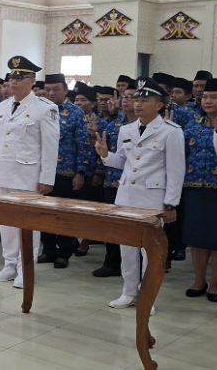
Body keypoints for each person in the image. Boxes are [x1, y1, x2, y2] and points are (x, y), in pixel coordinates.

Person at [95, 77, 184, 310]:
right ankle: (128, 292)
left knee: (149, 252)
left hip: (152, 198)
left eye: (145, 100)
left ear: (159, 104)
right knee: (127, 248)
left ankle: (147, 296)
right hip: (126, 196)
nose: (138, 104)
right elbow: (122, 161)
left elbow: (176, 171)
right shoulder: (126, 129)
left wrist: (171, 204)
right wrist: (105, 155)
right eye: (136, 99)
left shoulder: (171, 132)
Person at [0, 56, 59, 288]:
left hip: (27, 176)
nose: (14, 81)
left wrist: (47, 178)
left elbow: (51, 146)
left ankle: (25, 269)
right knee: (6, 223)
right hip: (3, 172)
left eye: (20, 77)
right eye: (12, 77)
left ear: (32, 81)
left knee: (28, 224)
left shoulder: (45, 108)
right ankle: (9, 265)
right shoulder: (1, 107)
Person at [179, 78, 217, 302]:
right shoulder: (192, 125)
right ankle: (199, 280)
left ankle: (215, 284)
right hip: (194, 188)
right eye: (205, 97)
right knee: (197, 239)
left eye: (214, 97)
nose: (207, 100)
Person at [39, 74, 91, 269]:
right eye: (48, 89)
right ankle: (48, 250)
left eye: (56, 89)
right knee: (44, 213)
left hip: (66, 171)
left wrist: (81, 172)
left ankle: (64, 252)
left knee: (64, 214)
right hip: (43, 171)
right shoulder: (40, 110)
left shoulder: (75, 113)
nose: (51, 93)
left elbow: (83, 144)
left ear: (65, 91)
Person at [91, 81, 137, 278]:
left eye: (132, 97)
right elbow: (113, 155)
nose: (127, 100)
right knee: (112, 224)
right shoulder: (114, 125)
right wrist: (104, 156)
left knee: (134, 229)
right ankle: (111, 263)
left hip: (136, 185)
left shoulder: (150, 127)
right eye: (125, 97)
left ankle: (137, 269)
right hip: (112, 180)